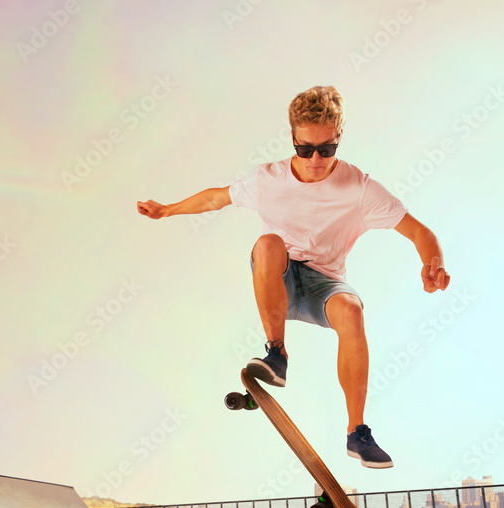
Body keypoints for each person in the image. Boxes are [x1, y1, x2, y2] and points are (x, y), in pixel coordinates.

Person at [136, 85, 450, 469]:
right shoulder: (268, 179)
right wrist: (166, 210)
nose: (315, 159)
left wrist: (432, 262)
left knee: (351, 310)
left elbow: (420, 231)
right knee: (269, 242)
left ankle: (357, 433)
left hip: (325, 283)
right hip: (278, 278)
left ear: (338, 139)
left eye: (326, 149)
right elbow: (216, 197)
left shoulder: (360, 188)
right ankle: (277, 354)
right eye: (305, 149)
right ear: (293, 140)